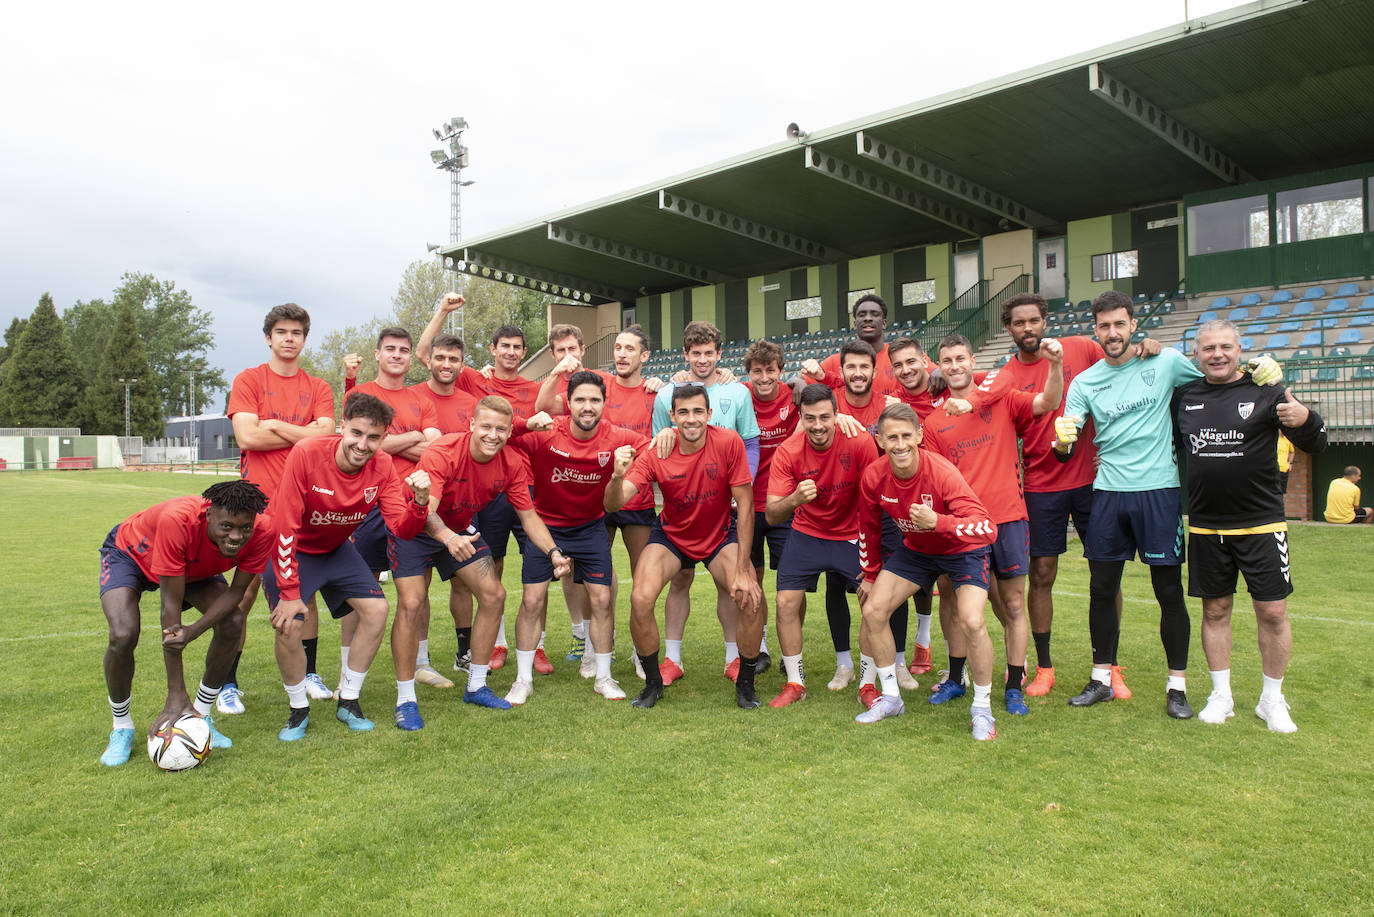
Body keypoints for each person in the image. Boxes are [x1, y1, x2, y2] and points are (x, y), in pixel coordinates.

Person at [1053, 290, 1284, 719]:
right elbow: (1065, 447)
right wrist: (1061, 441)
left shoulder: (1165, 362)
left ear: (1133, 326)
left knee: (1168, 591)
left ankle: (1177, 686)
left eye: (1120, 324)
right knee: (1101, 588)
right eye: (1104, 325)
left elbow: (1220, 375)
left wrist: (1265, 375)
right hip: (1107, 494)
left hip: (1159, 493)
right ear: (1095, 330)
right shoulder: (1084, 382)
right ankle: (1101, 677)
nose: (1112, 332)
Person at [1177, 320, 1326, 732]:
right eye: (1208, 348)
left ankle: (1271, 700)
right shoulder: (1185, 397)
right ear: (1196, 354)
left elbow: (1317, 442)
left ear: (1240, 350)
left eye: (1225, 346)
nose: (1217, 354)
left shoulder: (1268, 390)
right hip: (1207, 526)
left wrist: (1305, 417)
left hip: (1262, 523)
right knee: (1216, 609)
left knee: (1273, 612)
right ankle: (1221, 696)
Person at [263, 392, 431, 740]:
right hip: (293, 549)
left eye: (373, 437)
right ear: (342, 427)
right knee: (290, 624)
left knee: (377, 609)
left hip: (336, 549)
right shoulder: (307, 454)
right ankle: (298, 710)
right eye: (356, 433)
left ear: (383, 438)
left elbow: (401, 527)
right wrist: (291, 594)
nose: (362, 444)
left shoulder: (383, 466)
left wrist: (420, 503)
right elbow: (285, 527)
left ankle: (349, 700)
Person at [922, 332, 1063, 717]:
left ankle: (1014, 684)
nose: (954, 366)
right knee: (951, 597)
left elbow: (1048, 401)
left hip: (1008, 519)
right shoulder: (934, 424)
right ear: (939, 366)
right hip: (964, 526)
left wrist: (1055, 364)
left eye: (960, 358)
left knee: (1014, 602)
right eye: (946, 360)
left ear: (971, 360)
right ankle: (956, 678)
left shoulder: (1000, 399)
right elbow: (936, 480)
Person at [606, 384, 763, 709]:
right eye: (683, 412)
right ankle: (652, 684)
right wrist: (616, 477)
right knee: (640, 598)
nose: (691, 419)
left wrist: (744, 569)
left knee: (749, 597)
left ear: (708, 414)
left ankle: (746, 684)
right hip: (672, 536)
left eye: (697, 411)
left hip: (719, 535)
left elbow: (745, 507)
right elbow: (614, 504)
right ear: (672, 416)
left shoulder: (728, 442)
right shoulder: (656, 450)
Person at [97, 481, 273, 766]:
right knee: (123, 634)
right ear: (209, 515)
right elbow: (170, 607)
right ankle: (122, 728)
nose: (237, 536)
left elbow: (236, 594)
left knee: (232, 621)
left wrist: (194, 630)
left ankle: (201, 717)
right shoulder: (177, 521)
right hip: (130, 555)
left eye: (245, 528)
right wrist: (175, 693)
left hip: (192, 566)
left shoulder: (264, 530)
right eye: (226, 526)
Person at [418, 395, 574, 710]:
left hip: (458, 528)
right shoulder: (444, 452)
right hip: (415, 527)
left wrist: (554, 551)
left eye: (501, 429)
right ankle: (405, 695)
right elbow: (425, 513)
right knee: (409, 603)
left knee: (494, 595)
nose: (493, 435)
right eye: (486, 426)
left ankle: (476, 686)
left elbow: (529, 517)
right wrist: (448, 537)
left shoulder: (512, 463)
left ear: (509, 432)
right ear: (472, 424)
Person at [855, 404, 1000, 740]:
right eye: (892, 437)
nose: (901, 443)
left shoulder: (942, 473)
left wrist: (941, 522)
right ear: (880, 440)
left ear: (919, 436)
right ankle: (891, 698)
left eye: (907, 435)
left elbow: (987, 529)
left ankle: (982, 709)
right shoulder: (874, 476)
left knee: (973, 621)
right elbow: (868, 527)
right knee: (874, 609)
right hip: (918, 551)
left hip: (963, 551)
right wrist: (870, 572)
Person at [505, 370, 648, 704]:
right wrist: (526, 424)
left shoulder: (616, 437)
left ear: (603, 404)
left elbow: (653, 449)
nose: (588, 406)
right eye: (580, 399)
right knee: (531, 600)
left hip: (591, 527)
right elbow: (501, 436)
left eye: (595, 400)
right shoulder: (545, 434)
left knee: (601, 600)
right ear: (567, 403)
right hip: (546, 528)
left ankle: (603, 677)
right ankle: (522, 680)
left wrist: (665, 437)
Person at [224, 303, 337, 714]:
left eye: (297, 332)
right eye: (282, 332)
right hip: (256, 508)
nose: (290, 338)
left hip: (305, 505)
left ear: (305, 339)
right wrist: (302, 434)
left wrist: (274, 425)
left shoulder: (318, 387)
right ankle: (225, 683)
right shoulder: (249, 379)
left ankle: (307, 673)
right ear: (269, 337)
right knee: (245, 593)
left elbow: (326, 440)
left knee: (305, 592)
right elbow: (248, 438)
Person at [534, 322, 661, 673]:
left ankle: (641, 648)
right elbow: (544, 404)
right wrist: (557, 369)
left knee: (643, 579)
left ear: (644, 356)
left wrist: (668, 381)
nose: (621, 353)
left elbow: (659, 443)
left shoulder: (656, 393)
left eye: (629, 348)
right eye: (617, 347)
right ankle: (594, 644)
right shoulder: (598, 383)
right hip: (595, 499)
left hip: (636, 498)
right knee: (591, 575)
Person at [347, 327, 452, 727]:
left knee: (416, 588)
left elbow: (434, 447)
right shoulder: (361, 396)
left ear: (411, 357)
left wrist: (388, 441)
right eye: (390, 349)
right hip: (365, 498)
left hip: (410, 498)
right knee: (360, 584)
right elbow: (359, 444)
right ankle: (348, 672)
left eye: (404, 350)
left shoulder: (421, 397)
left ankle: (421, 662)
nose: (397, 355)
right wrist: (408, 437)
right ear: (378, 354)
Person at [650, 321, 761, 683]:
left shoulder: (738, 392)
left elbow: (750, 444)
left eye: (708, 352)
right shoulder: (667, 395)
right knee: (679, 580)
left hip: (724, 506)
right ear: (685, 354)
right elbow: (659, 448)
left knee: (726, 583)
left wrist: (737, 488)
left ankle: (733, 658)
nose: (701, 359)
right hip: (683, 507)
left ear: (719, 354)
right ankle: (673, 659)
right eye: (695, 353)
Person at [764, 383, 878, 707]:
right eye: (810, 418)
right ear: (800, 417)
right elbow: (772, 513)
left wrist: (872, 558)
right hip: (808, 532)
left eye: (825, 417)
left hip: (851, 534)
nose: (818, 425)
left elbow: (873, 502)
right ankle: (795, 682)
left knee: (871, 604)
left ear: (836, 414)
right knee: (786, 602)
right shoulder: (788, 451)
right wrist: (795, 498)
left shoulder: (859, 442)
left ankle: (868, 685)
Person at [407, 330, 479, 681]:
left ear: (461, 364)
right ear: (429, 360)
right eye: (440, 358)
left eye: (454, 359)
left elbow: (478, 451)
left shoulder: (470, 404)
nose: (447, 364)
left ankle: (464, 653)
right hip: (419, 503)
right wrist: (435, 454)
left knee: (463, 582)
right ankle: (421, 660)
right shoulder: (411, 397)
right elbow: (392, 446)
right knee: (417, 587)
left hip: (461, 506)